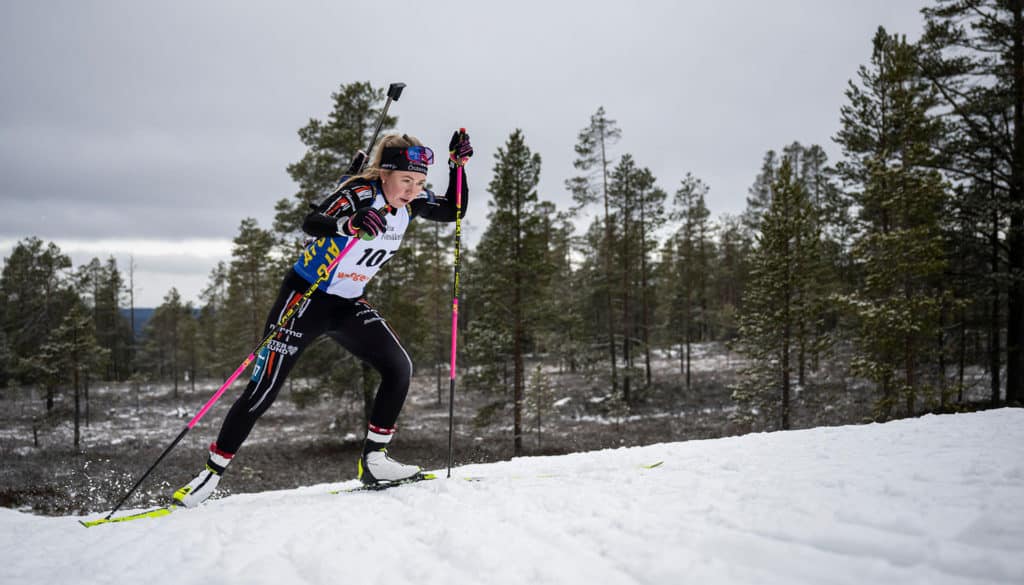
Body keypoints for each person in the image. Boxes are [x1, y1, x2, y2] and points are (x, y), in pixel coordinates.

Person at [173, 130, 474, 507]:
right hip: (306, 298)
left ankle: (375, 461)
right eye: (406, 181)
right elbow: (312, 222)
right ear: (384, 174)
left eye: (419, 183)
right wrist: (347, 225)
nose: (413, 190)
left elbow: (455, 209)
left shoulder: (411, 203)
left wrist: (456, 166)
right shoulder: (359, 194)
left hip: (348, 304)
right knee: (264, 387)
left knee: (399, 367)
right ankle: (210, 474)